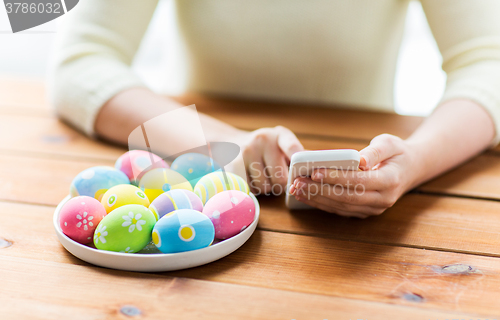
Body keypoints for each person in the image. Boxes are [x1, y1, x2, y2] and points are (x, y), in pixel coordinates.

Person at [50, 0, 500, 218]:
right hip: (201, 187)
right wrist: (227, 147)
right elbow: (82, 62)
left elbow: (489, 64)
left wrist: (416, 160)